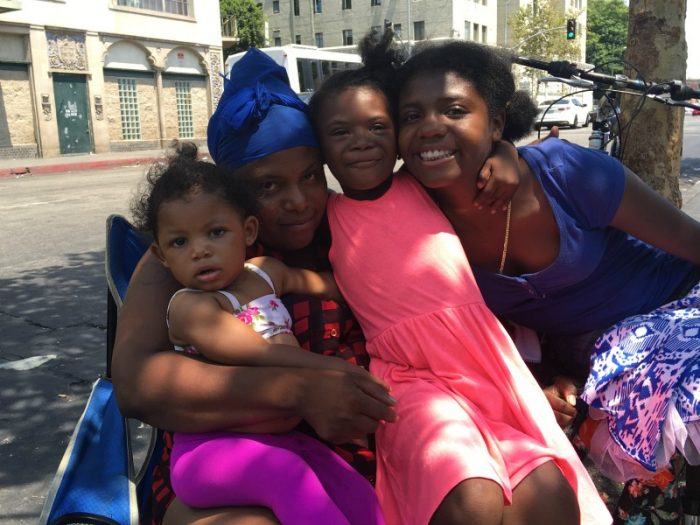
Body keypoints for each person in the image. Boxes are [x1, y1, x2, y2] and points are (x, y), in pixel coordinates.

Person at [112, 47, 514, 525]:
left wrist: (504, 153)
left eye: (309, 176)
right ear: (233, 195)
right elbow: (136, 386)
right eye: (268, 187)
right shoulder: (188, 261)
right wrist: (295, 391)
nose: (299, 201)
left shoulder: (349, 227)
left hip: (364, 451)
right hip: (232, 459)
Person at [307, 30, 610, 525]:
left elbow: (471, 152)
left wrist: (507, 152)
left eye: (378, 126)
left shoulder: (424, 186)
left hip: (481, 365)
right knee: (471, 496)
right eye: (340, 132)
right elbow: (337, 279)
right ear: (320, 147)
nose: (361, 141)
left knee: (550, 489)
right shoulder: (328, 215)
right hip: (411, 377)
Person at [392, 38, 700, 523]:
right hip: (594, 368)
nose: (430, 127)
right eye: (410, 116)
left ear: (495, 122)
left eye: (453, 110)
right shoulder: (411, 215)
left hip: (675, 312)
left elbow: (691, 241)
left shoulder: (564, 172)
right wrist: (546, 381)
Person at [130, 148, 385, 525]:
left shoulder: (265, 273)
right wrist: (334, 372)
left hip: (280, 442)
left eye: (216, 233)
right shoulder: (193, 308)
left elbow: (333, 286)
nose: (200, 250)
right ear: (162, 255)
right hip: (209, 452)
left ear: (246, 231)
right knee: (291, 479)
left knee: (350, 488)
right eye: (180, 243)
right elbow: (262, 354)